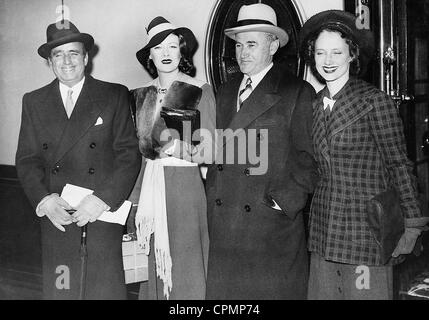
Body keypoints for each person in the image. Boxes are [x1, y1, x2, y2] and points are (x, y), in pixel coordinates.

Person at [300, 10, 429, 300]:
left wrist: (412, 225)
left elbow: (399, 165)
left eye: (337, 52)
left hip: (365, 233)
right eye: (321, 53)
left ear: (351, 55)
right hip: (324, 231)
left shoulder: (374, 101)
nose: (328, 61)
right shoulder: (313, 105)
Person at [15, 20, 141, 299]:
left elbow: (129, 155)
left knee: (103, 290)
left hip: (101, 212)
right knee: (63, 289)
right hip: (58, 215)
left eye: (73, 53)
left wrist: (102, 199)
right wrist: (45, 200)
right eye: (58, 55)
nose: (66, 61)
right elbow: (27, 160)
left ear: (86, 57)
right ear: (49, 62)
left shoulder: (113, 94)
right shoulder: (34, 101)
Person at [205, 3, 318, 300]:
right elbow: (223, 147)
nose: (243, 53)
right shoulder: (228, 89)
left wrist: (283, 202)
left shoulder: (296, 91)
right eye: (239, 45)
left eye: (252, 44)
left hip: (268, 226)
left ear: (273, 46)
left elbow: (310, 161)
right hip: (224, 221)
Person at [129, 16, 215, 300]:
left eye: (172, 46)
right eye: (158, 47)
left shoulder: (200, 90)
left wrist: (175, 148)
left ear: (182, 51)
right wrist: (134, 203)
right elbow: (140, 156)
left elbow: (210, 149)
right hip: (150, 188)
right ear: (150, 56)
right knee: (154, 264)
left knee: (185, 268)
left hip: (185, 189)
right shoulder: (141, 96)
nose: (165, 53)